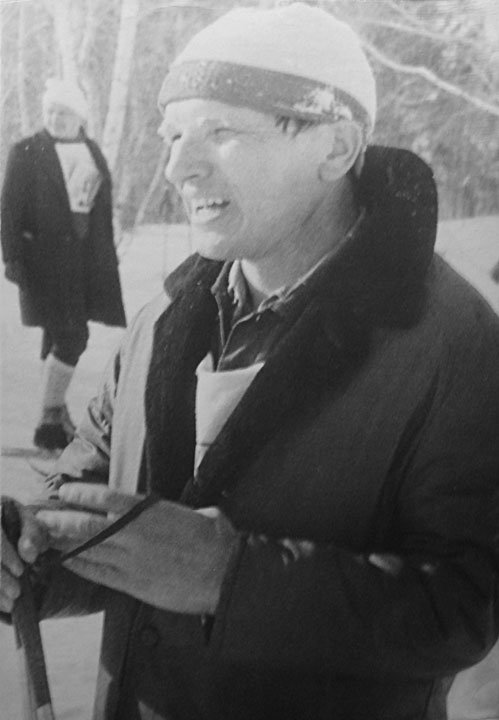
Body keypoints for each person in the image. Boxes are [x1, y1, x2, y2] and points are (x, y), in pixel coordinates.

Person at [2, 5, 499, 719]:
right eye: (173, 134)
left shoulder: (455, 344)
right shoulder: (163, 320)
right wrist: (30, 548)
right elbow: (92, 492)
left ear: (335, 146)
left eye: (220, 132)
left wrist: (228, 579)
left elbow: (465, 603)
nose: (178, 165)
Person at [1, 78, 126, 451]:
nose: (55, 118)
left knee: (57, 337)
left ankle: (54, 416)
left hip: (84, 263)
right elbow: (8, 210)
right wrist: (12, 258)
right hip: (43, 262)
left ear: (79, 118)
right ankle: (49, 419)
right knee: (73, 337)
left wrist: (105, 257)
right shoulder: (26, 151)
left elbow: (100, 208)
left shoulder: (92, 151)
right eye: (50, 111)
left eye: (64, 113)